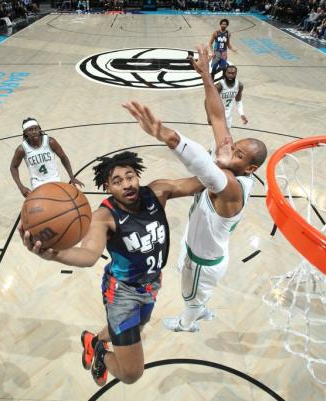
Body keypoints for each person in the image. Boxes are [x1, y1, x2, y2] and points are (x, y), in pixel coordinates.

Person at [21, 146, 203, 386]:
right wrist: (56, 255)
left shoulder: (157, 192)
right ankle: (101, 354)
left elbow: (199, 182)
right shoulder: (103, 217)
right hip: (122, 293)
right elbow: (88, 254)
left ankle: (94, 340)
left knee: (139, 325)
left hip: (151, 284)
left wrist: (226, 165)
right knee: (131, 373)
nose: (126, 184)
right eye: (117, 181)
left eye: (130, 176)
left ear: (138, 176)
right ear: (108, 188)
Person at [125, 45, 267, 333]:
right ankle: (199, 307)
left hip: (205, 262)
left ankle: (188, 322)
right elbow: (218, 117)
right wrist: (205, 76)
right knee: (189, 278)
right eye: (235, 145)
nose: (229, 146)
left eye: (238, 153)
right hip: (197, 245)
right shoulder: (230, 160)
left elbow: (203, 167)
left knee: (190, 298)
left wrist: (167, 135)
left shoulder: (232, 188)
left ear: (249, 169)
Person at [10, 117, 84, 196]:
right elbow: (13, 167)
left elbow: (63, 157)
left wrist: (72, 177)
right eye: (30, 130)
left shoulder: (50, 142)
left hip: (55, 180)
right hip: (37, 185)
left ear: (39, 129)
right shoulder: (22, 149)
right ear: (25, 133)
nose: (34, 132)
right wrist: (21, 187)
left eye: (36, 128)